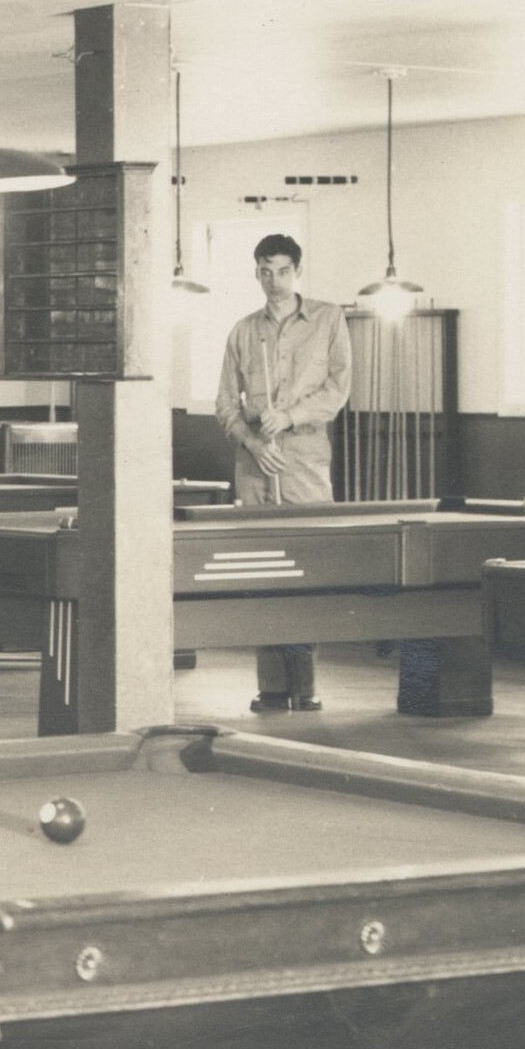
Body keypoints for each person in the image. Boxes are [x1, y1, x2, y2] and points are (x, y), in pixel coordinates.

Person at [213, 231, 353, 713]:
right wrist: (252, 440)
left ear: (297, 271)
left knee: (305, 569)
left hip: (306, 459)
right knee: (261, 570)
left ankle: (306, 684)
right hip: (256, 464)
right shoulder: (242, 330)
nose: (274, 280)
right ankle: (272, 685)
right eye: (265, 271)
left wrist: (289, 417)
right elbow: (226, 404)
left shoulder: (329, 319)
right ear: (256, 273)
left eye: (283, 270)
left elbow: (338, 389)